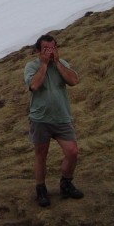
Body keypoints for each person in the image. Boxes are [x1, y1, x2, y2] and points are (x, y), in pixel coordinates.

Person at [24, 34, 84, 207]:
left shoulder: (62, 63)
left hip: (62, 118)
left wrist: (57, 63)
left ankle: (66, 183)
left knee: (72, 151)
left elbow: (73, 80)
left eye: (53, 48)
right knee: (41, 154)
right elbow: (34, 86)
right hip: (40, 119)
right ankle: (41, 189)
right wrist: (43, 65)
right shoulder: (31, 66)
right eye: (46, 49)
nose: (50, 52)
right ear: (38, 51)